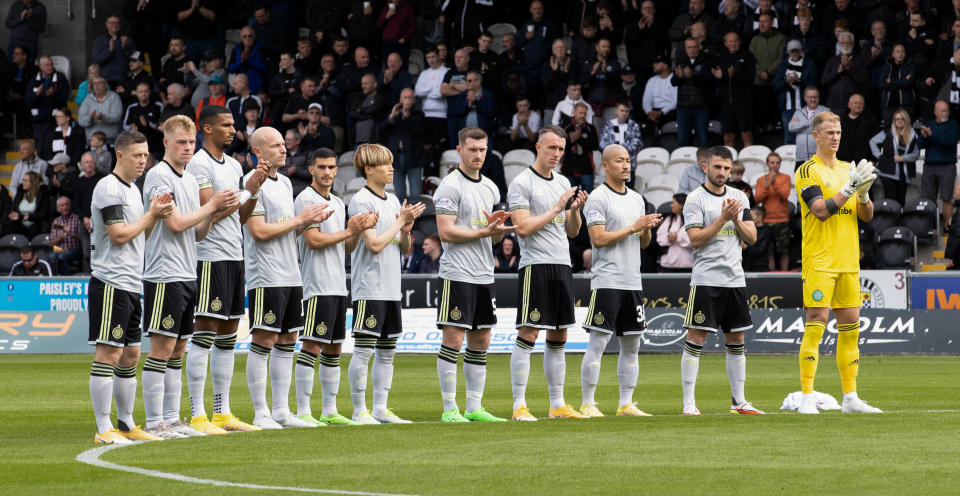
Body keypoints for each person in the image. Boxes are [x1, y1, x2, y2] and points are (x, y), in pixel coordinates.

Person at [139, 116, 240, 439]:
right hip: (164, 272)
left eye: (190, 142)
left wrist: (210, 212)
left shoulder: (187, 179)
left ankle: (172, 419)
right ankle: (155, 421)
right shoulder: (159, 177)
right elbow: (176, 224)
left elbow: (196, 233)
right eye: (180, 142)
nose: (187, 148)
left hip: (186, 271)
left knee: (179, 348)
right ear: (166, 143)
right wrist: (211, 205)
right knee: (162, 348)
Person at [87, 130, 175, 445]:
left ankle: (126, 424)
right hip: (110, 281)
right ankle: (103, 428)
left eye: (145, 155)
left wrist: (155, 216)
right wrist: (151, 214)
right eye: (137, 155)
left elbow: (141, 237)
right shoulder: (108, 188)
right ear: (120, 155)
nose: (143, 161)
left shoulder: (134, 190)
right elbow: (119, 235)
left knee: (131, 354)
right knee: (109, 353)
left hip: (130, 282)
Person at [242, 126, 332, 430]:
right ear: (258, 152)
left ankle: (281, 410)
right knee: (264, 338)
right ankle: (260, 412)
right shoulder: (251, 183)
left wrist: (309, 221)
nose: (283, 149)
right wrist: (301, 220)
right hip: (266, 274)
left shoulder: (285, 183)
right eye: (275, 145)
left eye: (284, 144)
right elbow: (258, 231)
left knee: (288, 339)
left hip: (291, 274)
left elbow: (286, 227)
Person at [185, 105, 267, 435]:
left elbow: (241, 215)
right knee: (204, 331)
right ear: (206, 128)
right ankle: (197, 413)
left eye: (233, 124)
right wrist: (243, 191)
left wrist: (254, 188)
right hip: (210, 255)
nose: (233, 130)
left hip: (235, 254)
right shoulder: (198, 164)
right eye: (225, 125)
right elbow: (211, 210)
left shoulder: (234, 164)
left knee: (229, 335)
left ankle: (223, 412)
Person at [795, 111, 881, 415]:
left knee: (850, 328)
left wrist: (865, 194)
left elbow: (866, 215)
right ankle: (807, 395)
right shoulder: (807, 171)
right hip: (819, 260)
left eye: (839, 132)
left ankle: (850, 397)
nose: (835, 137)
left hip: (847, 260)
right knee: (816, 322)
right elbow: (819, 210)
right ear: (815, 136)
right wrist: (848, 189)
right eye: (829, 132)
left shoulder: (849, 169)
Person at [507, 125, 589, 421]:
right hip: (535, 265)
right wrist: (558, 206)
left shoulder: (563, 181)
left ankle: (557, 404)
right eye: (552, 147)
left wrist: (576, 210)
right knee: (529, 332)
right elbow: (524, 228)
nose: (557, 154)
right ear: (538, 146)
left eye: (561, 149)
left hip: (562, 264)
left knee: (559, 335)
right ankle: (519, 405)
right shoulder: (521, 183)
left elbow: (572, 231)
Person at [434, 127, 515, 423]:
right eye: (472, 149)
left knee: (481, 340)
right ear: (459, 151)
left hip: (484, 274)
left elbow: (490, 238)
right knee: (453, 339)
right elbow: (445, 231)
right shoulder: (449, 186)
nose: (478, 155)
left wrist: (495, 231)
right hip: (457, 273)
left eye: (482, 150)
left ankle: (474, 407)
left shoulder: (491, 188)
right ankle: (449, 408)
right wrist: (484, 230)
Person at [293, 148, 377, 426]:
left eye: (331, 167)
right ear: (311, 169)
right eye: (321, 167)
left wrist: (357, 230)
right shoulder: (306, 198)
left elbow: (346, 247)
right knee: (313, 345)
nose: (327, 172)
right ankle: (303, 410)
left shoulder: (339, 202)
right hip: (316, 284)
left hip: (338, 284)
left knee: (334, 348)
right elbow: (313, 241)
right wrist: (349, 231)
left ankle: (329, 410)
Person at [579, 144, 663, 418]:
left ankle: (626, 404)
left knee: (632, 344)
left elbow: (643, 243)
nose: (626, 165)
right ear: (605, 166)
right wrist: (633, 227)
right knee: (599, 343)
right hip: (607, 281)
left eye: (628, 160)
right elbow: (598, 239)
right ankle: (588, 403)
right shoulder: (598, 198)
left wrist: (647, 229)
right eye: (619, 161)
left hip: (632, 281)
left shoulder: (637, 199)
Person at [680, 146, 762, 416]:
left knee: (736, 339)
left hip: (735, 279)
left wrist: (736, 219)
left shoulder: (740, 197)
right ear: (705, 167)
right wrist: (723, 218)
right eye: (717, 167)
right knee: (696, 337)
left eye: (727, 168)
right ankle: (689, 404)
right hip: (706, 279)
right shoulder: (695, 199)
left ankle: (739, 401)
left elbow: (751, 238)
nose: (722, 173)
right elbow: (695, 240)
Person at [348, 143, 425, 424]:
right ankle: (359, 411)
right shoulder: (361, 201)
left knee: (387, 351)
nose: (391, 169)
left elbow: (402, 248)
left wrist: (406, 230)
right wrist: (399, 222)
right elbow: (375, 244)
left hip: (391, 287)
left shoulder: (393, 201)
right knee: (365, 350)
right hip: (370, 287)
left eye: (391, 163)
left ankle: (380, 408)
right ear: (369, 169)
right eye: (385, 164)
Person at [918, 101, 960, 229]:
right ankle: (930, 226)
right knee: (928, 198)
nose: (946, 113)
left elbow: (950, 142)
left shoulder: (953, 125)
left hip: (947, 166)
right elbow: (920, 145)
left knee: (946, 198)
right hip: (930, 166)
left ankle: (948, 226)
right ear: (935, 112)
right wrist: (924, 137)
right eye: (942, 110)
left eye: (947, 110)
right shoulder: (929, 124)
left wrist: (932, 135)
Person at [379, 88, 424, 204]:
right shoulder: (394, 115)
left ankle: (416, 220)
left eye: (410, 97)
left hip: (414, 158)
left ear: (414, 100)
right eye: (405, 97)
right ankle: (402, 220)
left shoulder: (418, 115)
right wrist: (392, 116)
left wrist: (406, 114)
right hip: (396, 157)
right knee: (399, 194)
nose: (407, 100)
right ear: (400, 100)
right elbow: (381, 131)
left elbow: (417, 131)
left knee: (415, 194)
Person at [714, 32, 756, 147]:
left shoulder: (747, 56)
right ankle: (728, 163)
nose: (733, 44)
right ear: (726, 43)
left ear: (740, 42)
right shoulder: (721, 58)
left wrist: (735, 75)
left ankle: (750, 159)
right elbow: (718, 81)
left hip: (743, 102)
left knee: (746, 134)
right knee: (728, 136)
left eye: (735, 41)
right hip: (727, 103)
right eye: (731, 41)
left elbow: (751, 78)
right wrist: (719, 78)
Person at [870, 108, 919, 206]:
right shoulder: (887, 132)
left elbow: (915, 155)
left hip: (904, 174)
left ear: (906, 120)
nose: (899, 121)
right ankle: (889, 220)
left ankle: (899, 221)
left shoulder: (913, 135)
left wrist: (903, 158)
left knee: (901, 200)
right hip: (887, 172)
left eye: (902, 119)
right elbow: (872, 142)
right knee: (890, 198)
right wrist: (879, 156)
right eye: (897, 119)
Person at [753, 153, 792, 270]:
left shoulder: (786, 178)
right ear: (767, 164)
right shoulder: (761, 180)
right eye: (772, 162)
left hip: (782, 219)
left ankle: (785, 278)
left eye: (777, 163)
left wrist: (774, 183)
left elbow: (785, 195)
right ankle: (771, 277)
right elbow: (757, 199)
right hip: (767, 220)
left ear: (780, 164)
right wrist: (766, 187)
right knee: (769, 252)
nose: (775, 165)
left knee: (784, 251)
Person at [774, 40, 817, 144]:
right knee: (789, 137)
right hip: (787, 106)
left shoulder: (808, 64)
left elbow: (814, 84)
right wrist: (786, 81)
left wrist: (799, 81)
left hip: (803, 106)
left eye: (796, 51)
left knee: (805, 135)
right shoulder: (784, 64)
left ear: (801, 51)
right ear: (788, 52)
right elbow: (776, 85)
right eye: (792, 51)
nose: (795, 54)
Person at [673, 38, 713, 147]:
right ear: (685, 49)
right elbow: (673, 82)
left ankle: (703, 164)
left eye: (694, 47)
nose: (692, 50)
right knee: (682, 141)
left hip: (701, 107)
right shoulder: (680, 61)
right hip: (683, 107)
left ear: (699, 47)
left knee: (703, 141)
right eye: (689, 47)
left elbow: (709, 81)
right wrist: (679, 77)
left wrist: (693, 76)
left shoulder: (707, 61)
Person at [24, 55, 69, 144]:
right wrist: (37, 94)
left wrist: (52, 95)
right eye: (47, 65)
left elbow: (64, 97)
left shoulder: (60, 78)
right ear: (40, 66)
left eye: (51, 65)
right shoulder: (34, 80)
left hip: (54, 120)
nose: (50, 67)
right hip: (39, 121)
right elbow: (27, 99)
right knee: (40, 145)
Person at [563, 103, 599, 192]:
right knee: (570, 200)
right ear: (574, 112)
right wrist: (571, 140)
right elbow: (562, 147)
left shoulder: (590, 128)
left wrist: (579, 139)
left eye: (585, 113)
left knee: (587, 199)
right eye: (580, 113)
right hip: (569, 169)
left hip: (586, 169)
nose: (583, 116)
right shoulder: (567, 128)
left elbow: (595, 146)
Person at [789, 86, 830, 165]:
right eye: (810, 97)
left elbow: (825, 128)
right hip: (800, 159)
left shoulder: (825, 111)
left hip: (819, 158)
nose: (813, 100)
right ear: (805, 98)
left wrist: (800, 128)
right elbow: (791, 127)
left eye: (815, 97)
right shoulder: (799, 112)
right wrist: (809, 123)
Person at [91, 15, 136, 87]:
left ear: (120, 25)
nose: (114, 25)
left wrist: (125, 48)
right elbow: (95, 62)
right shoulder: (99, 41)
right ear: (106, 25)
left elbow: (135, 60)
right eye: (111, 23)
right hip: (106, 81)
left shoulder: (128, 40)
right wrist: (109, 51)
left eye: (117, 23)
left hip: (125, 79)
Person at [4, 170, 50, 238]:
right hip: (20, 223)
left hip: (36, 224)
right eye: (23, 180)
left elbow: (44, 213)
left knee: (34, 231)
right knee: (6, 227)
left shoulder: (42, 194)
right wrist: (13, 214)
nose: (23, 182)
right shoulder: (21, 192)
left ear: (33, 182)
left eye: (26, 181)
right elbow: (13, 207)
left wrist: (30, 217)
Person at [78, 77, 123, 141]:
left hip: (110, 139)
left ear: (106, 85)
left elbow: (117, 116)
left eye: (99, 83)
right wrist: (90, 118)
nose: (96, 86)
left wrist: (103, 117)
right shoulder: (87, 99)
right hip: (92, 140)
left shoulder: (114, 97)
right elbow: (81, 120)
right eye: (94, 83)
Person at [657, 193, 693, 272]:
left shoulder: (693, 219)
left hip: (687, 266)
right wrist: (668, 239)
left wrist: (677, 238)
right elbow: (659, 237)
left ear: (681, 205)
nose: (671, 205)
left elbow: (695, 240)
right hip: (667, 265)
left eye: (673, 203)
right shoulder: (669, 219)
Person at [599, 102, 642, 167]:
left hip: (629, 162)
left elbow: (637, 143)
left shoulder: (634, 125)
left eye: (626, 111)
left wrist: (623, 148)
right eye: (622, 111)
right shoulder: (608, 125)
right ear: (616, 111)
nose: (624, 113)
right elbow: (602, 143)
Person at [228, 26, 268, 94]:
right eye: (245, 36)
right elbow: (230, 69)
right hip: (240, 87)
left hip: (256, 87)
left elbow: (264, 68)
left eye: (250, 36)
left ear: (254, 36)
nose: (247, 38)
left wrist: (250, 59)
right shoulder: (236, 49)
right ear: (241, 38)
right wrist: (241, 62)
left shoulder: (261, 48)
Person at [641, 55, 678, 129]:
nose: (653, 65)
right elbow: (646, 100)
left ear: (665, 66)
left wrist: (661, 112)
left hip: (670, 112)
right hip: (654, 112)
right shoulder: (651, 80)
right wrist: (649, 112)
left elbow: (675, 102)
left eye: (657, 63)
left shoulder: (675, 79)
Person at [49, 196, 83, 275]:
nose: (65, 207)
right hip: (60, 250)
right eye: (62, 205)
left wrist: (72, 234)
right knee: (51, 257)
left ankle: (65, 278)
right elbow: (52, 243)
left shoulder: (77, 219)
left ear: (70, 206)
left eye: (66, 205)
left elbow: (83, 239)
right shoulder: (56, 221)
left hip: (74, 250)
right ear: (58, 208)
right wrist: (60, 238)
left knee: (61, 257)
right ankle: (53, 279)